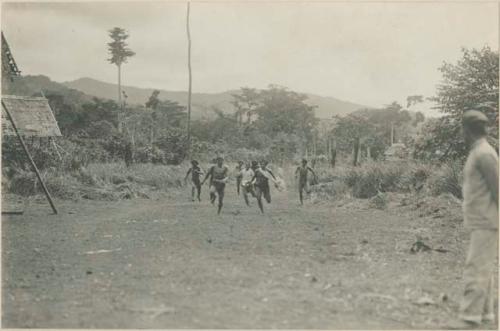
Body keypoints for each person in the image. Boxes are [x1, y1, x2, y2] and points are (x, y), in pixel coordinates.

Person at [447, 110, 498, 329]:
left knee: (475, 266)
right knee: (483, 266)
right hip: (481, 220)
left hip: (486, 221)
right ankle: (484, 315)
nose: (461, 133)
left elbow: (498, 189)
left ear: (467, 130)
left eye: (462, 129)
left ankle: (469, 317)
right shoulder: (478, 152)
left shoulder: (485, 153)